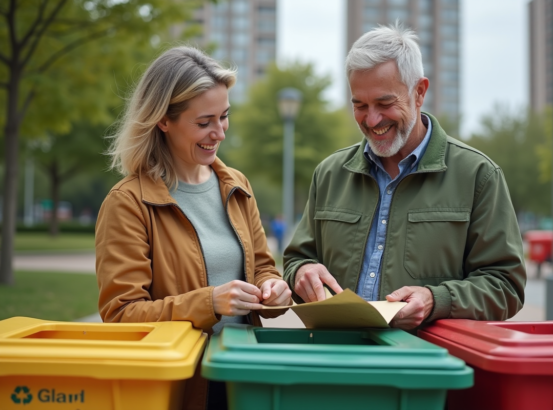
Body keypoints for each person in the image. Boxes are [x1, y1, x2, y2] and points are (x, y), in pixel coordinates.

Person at [283, 24, 526, 331]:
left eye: (385, 104)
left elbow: (506, 286)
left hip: (425, 369)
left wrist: (436, 299)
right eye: (360, 106)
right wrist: (301, 271)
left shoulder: (478, 175)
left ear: (420, 92)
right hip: (334, 364)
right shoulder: (329, 174)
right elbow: (296, 261)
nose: (372, 120)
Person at [95, 46, 291, 410]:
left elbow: (263, 266)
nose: (219, 133)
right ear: (163, 120)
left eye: (225, 117)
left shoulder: (237, 184)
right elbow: (122, 315)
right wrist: (209, 303)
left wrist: (273, 288)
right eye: (204, 122)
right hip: (180, 386)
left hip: (245, 376)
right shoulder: (127, 203)